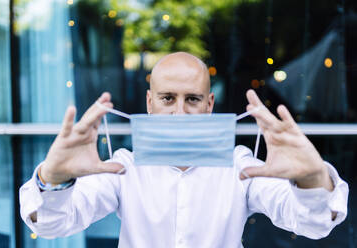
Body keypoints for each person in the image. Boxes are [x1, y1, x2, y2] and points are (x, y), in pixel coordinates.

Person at [20, 52, 348, 248]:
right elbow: (50, 225)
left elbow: (314, 224)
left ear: (209, 105)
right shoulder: (123, 168)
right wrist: (54, 178)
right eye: (167, 99)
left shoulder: (241, 167)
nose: (179, 112)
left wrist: (311, 179)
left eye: (192, 99)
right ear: (150, 103)